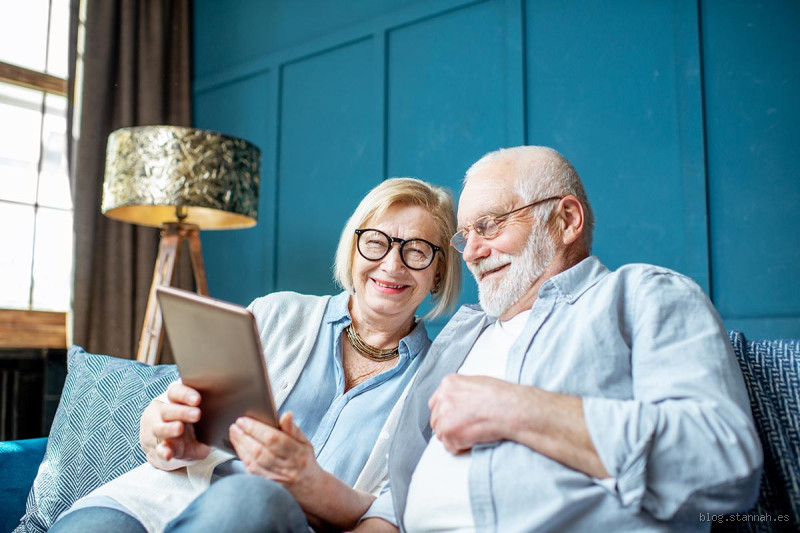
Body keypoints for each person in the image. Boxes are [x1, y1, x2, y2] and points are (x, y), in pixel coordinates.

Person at [356, 146, 763, 533]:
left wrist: (514, 408)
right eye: (466, 235)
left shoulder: (642, 296)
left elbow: (722, 461)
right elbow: (400, 491)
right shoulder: (461, 337)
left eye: (489, 225)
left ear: (566, 219)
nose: (472, 252)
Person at [50, 177, 462, 533]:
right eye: (376, 243)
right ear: (355, 251)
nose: (392, 265)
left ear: (438, 271)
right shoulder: (276, 313)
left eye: (417, 251)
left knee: (251, 498)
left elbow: (395, 510)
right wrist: (165, 434)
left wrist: (307, 481)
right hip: (163, 497)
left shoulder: (440, 381)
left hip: (276, 518)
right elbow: (164, 419)